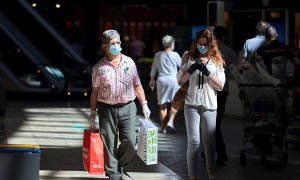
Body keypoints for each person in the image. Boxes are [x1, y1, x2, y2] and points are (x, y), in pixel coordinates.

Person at [89, 29, 151, 180]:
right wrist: (92, 113)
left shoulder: (129, 62)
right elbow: (95, 92)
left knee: (130, 141)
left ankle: (118, 166)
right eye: (112, 43)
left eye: (118, 42)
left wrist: (144, 103)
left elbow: (137, 85)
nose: (116, 45)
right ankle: (114, 174)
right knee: (109, 142)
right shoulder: (99, 68)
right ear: (104, 46)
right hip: (106, 108)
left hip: (128, 107)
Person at [177, 29, 225, 180]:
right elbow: (180, 80)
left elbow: (220, 86)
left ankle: (210, 172)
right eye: (200, 44)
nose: (202, 47)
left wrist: (208, 73)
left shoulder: (217, 61)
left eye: (205, 44)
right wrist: (191, 69)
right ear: (196, 43)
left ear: (211, 45)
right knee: (193, 142)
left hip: (210, 106)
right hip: (191, 104)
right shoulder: (188, 57)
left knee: (209, 143)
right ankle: (192, 176)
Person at [213, 25, 239, 165]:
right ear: (224, 36)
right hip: (223, 90)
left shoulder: (209, 51)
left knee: (211, 123)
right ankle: (210, 150)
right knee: (216, 122)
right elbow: (237, 68)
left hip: (209, 91)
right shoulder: (229, 52)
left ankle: (220, 152)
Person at [148, 35, 181, 133]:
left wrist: (152, 80)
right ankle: (170, 122)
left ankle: (163, 128)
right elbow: (182, 67)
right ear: (171, 44)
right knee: (175, 103)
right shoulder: (175, 55)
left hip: (161, 80)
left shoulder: (158, 55)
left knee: (163, 105)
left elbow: (154, 69)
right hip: (173, 79)